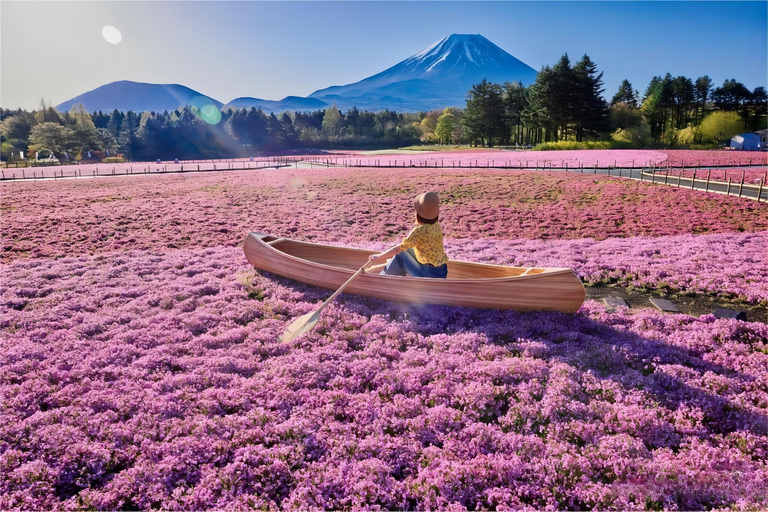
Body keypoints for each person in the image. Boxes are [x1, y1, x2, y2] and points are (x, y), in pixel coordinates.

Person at [368, 191, 448, 278]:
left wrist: (378, 257)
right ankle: (391, 270)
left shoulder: (419, 230)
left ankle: (382, 279)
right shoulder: (436, 225)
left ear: (418, 214)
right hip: (442, 273)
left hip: (427, 275)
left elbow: (398, 249)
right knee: (409, 249)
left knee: (400, 254)